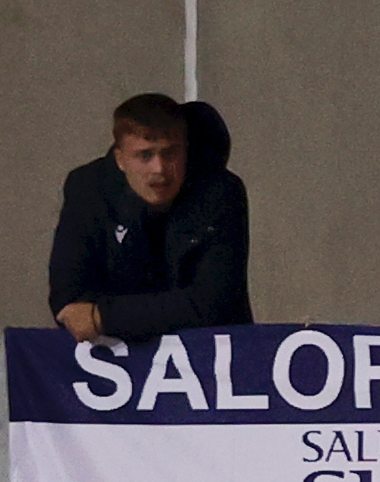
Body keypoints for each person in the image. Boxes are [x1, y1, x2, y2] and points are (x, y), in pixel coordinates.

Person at [47, 94, 251, 341]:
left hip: (209, 358)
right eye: (145, 155)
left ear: (186, 150)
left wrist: (103, 317)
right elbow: (69, 300)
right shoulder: (88, 188)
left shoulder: (220, 193)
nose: (160, 169)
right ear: (120, 159)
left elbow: (212, 305)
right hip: (115, 360)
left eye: (171, 153)